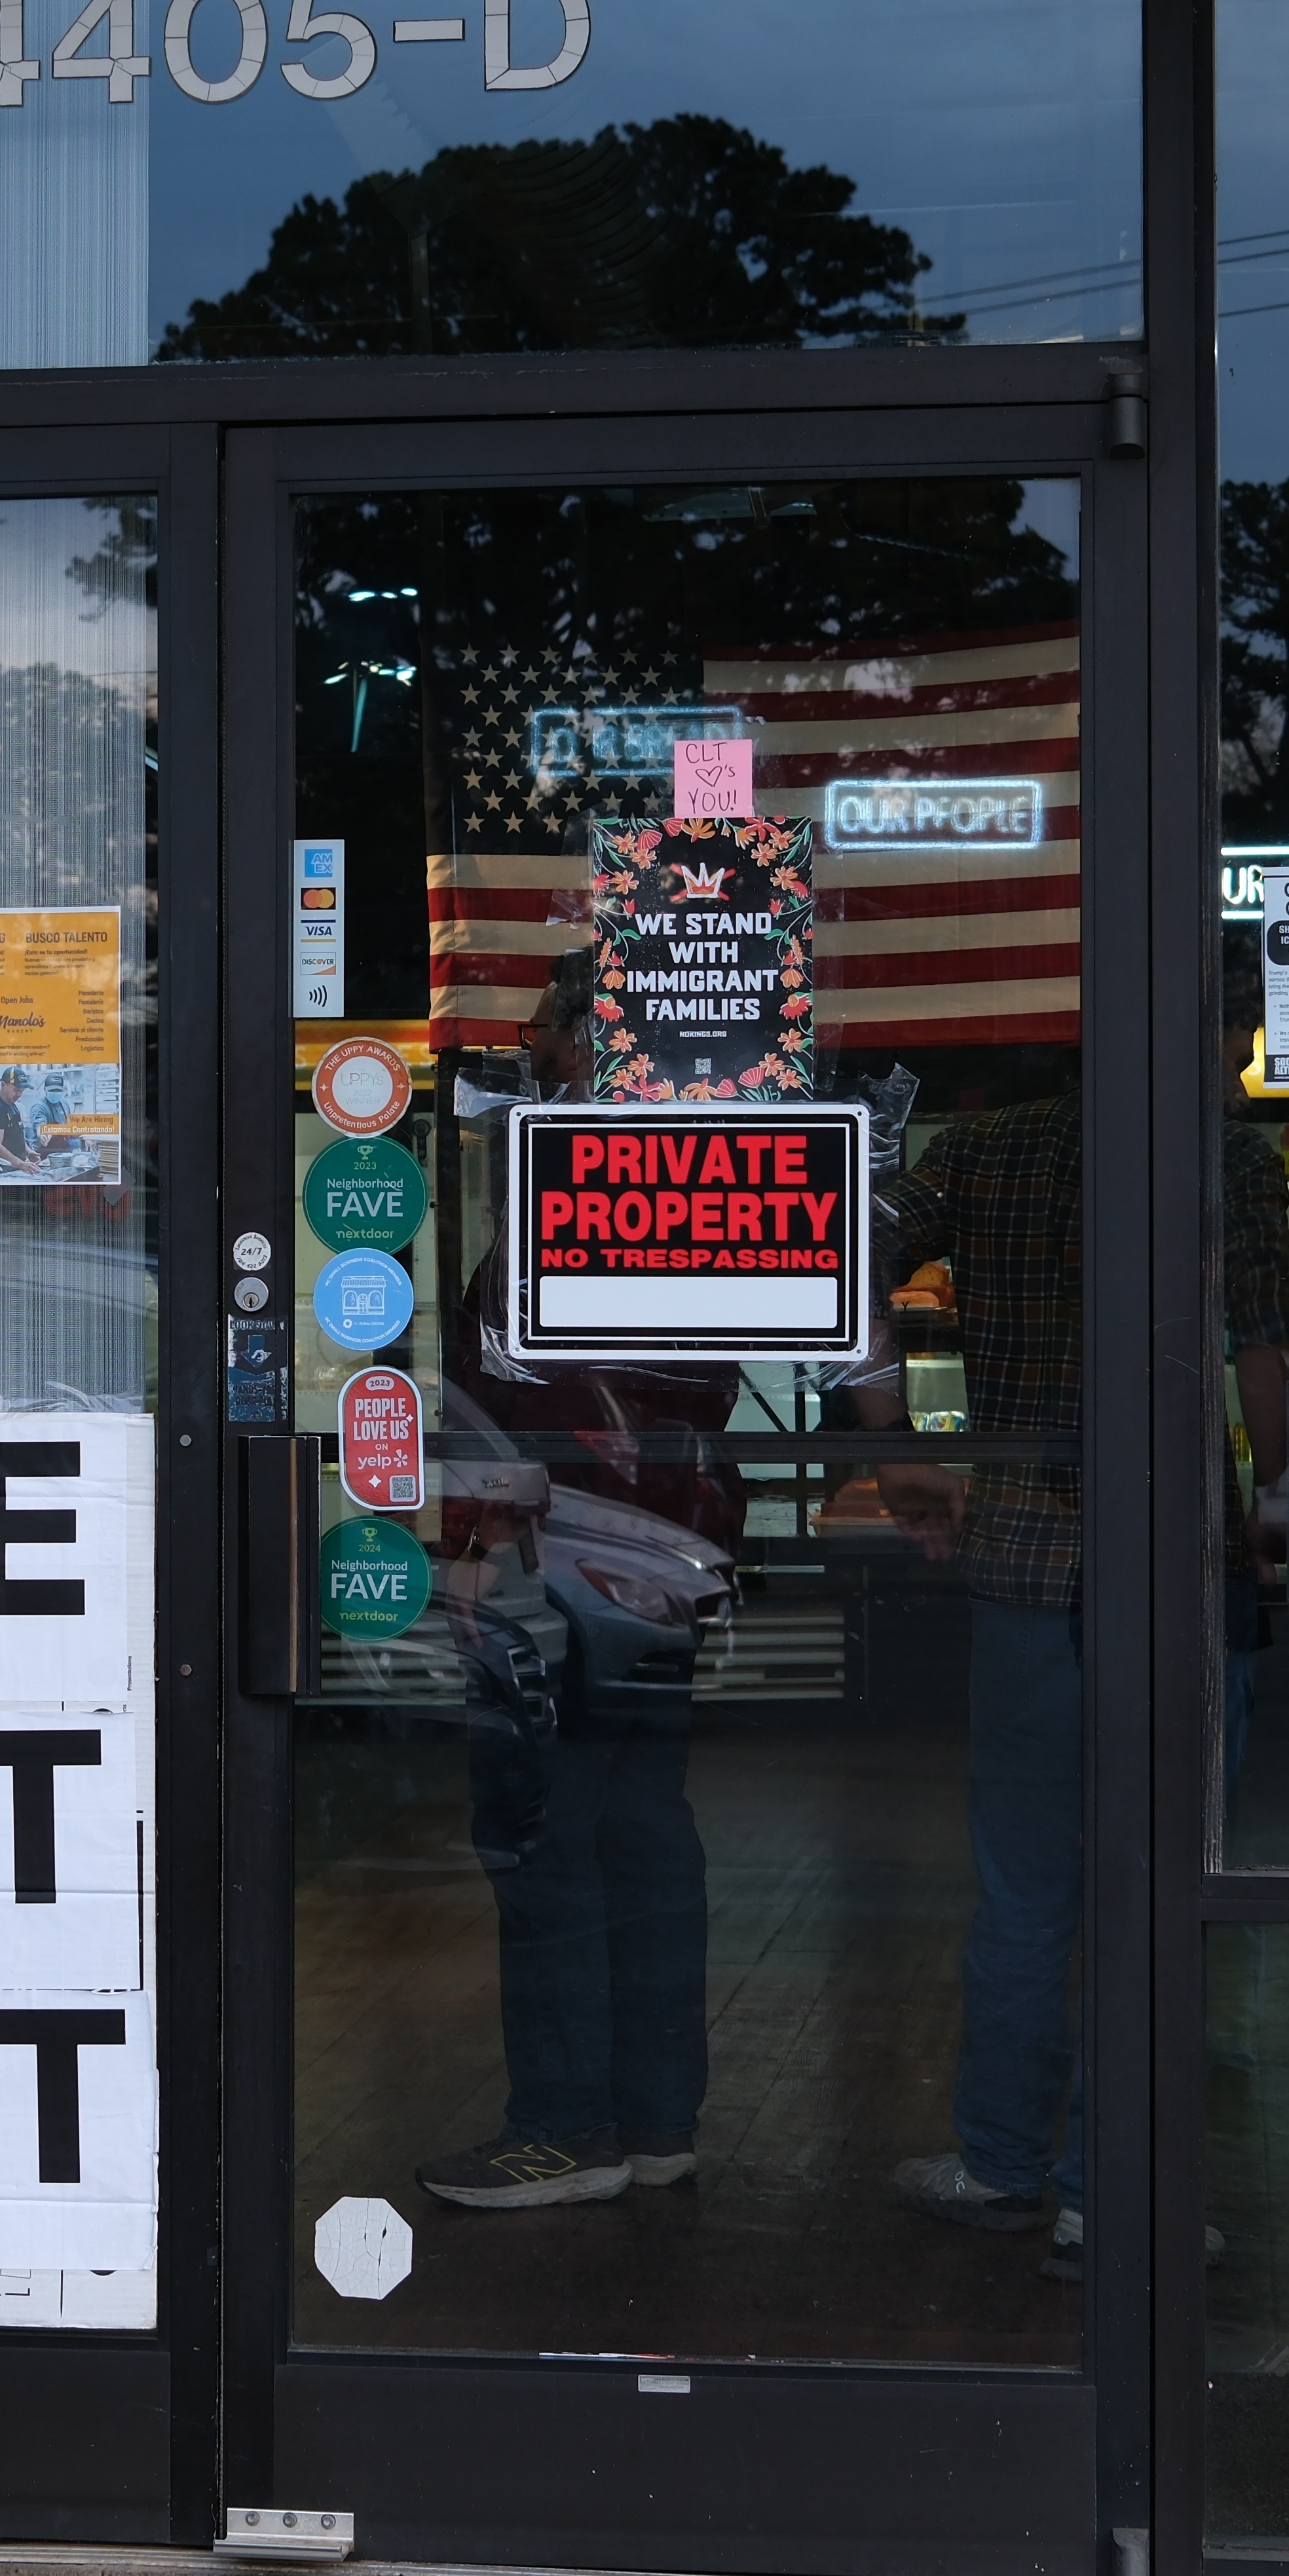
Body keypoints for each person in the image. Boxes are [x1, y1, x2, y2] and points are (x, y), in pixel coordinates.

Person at [881, 957, 1289, 2274]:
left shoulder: (985, 1149)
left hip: (1018, 1552)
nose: (1239, 1065)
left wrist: (896, 1447)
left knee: (1024, 1886)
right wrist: (1283, 1496)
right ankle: (1106, 2191)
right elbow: (1266, 1354)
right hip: (1176, 1565)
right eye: (1236, 1032)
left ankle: (1001, 2160)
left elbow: (841, 1263)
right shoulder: (1222, 1160)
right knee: (1160, 1876)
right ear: (1202, 1029)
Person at [414, 942, 731, 2210]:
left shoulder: (571, 1184)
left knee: (545, 1832)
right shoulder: (704, 1174)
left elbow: (532, 1399)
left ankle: (566, 2123)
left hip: (568, 1549)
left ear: (598, 1042)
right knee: (642, 1834)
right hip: (669, 1546)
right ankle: (654, 2115)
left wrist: (482, 1546)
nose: (531, 1046)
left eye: (549, 1023)